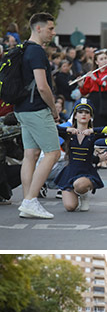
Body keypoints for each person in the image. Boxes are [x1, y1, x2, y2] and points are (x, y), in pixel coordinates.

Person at [14, 12, 61, 220]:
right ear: (38, 28)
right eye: (50, 28)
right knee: (53, 153)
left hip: (21, 109)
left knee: (30, 154)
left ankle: (27, 201)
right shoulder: (37, 52)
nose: (53, 32)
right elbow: (42, 86)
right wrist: (53, 108)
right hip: (36, 109)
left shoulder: (22, 49)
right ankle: (31, 200)